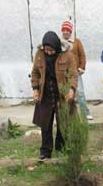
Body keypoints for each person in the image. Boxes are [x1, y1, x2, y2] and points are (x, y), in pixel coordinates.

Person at [31, 31, 77, 161]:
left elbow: (73, 74)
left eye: (51, 50)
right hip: (45, 95)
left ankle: (61, 149)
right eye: (46, 49)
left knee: (63, 124)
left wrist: (72, 89)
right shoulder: (39, 54)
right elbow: (35, 73)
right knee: (45, 124)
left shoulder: (67, 55)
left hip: (62, 96)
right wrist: (35, 89)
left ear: (56, 46)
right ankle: (45, 152)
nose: (48, 52)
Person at [61, 21, 93, 120]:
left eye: (68, 30)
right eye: (64, 30)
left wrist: (82, 67)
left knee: (80, 93)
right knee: (65, 92)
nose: (66, 32)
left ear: (70, 31)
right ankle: (68, 113)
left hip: (75, 72)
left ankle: (85, 112)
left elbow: (82, 55)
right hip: (63, 72)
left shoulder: (77, 42)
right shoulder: (59, 42)